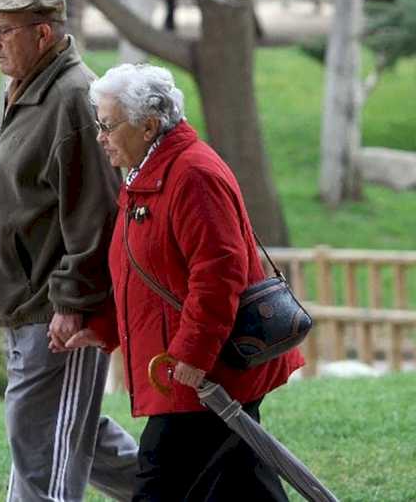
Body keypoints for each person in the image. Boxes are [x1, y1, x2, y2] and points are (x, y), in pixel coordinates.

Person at [65, 63, 305, 501]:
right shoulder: (148, 173)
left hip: (203, 371)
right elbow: (140, 268)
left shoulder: (192, 175)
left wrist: (193, 354)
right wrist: (101, 325)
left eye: (107, 124)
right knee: (241, 486)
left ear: (149, 125)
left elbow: (219, 273)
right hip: (193, 369)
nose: (99, 135)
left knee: (161, 484)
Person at [0, 0, 139, 502]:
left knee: (42, 442)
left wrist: (73, 303)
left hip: (56, 314)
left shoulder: (72, 97)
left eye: (3, 32)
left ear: (42, 33)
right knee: (72, 431)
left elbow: (96, 213)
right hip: (28, 307)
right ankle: (185, 490)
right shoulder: (25, 88)